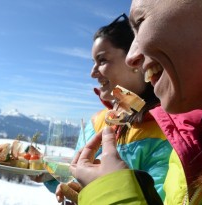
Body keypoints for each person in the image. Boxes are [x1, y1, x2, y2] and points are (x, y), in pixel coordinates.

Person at [70, 0, 202, 204]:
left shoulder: (175, 131)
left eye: (140, 22)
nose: (133, 57)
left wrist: (110, 191)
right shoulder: (197, 132)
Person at [54, 13, 172, 204]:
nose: (93, 73)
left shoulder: (168, 129)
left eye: (102, 61)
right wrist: (66, 186)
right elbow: (78, 178)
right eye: (93, 62)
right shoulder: (97, 121)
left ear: (135, 60)